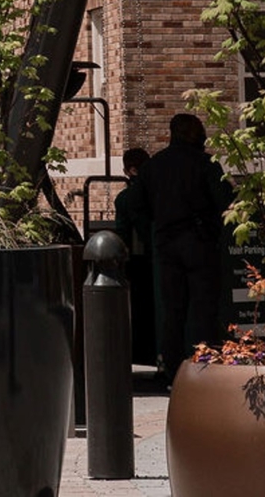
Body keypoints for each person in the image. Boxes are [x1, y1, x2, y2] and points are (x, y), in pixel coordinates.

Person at [144, 112, 232, 387]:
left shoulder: (153, 166)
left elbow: (137, 203)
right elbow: (225, 201)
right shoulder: (206, 164)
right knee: (203, 307)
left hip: (166, 243)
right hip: (199, 242)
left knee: (173, 310)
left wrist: (152, 233)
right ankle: (203, 367)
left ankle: (172, 371)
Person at [111, 147, 158, 373]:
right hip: (156, 258)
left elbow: (122, 232)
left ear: (129, 170)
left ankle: (143, 351)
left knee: (140, 311)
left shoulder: (125, 198)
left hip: (136, 262)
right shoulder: (158, 192)